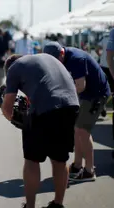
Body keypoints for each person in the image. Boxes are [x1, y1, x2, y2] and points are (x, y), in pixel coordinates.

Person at [2, 54, 79, 208]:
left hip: (45, 109)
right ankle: (58, 203)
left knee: (32, 160)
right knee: (59, 158)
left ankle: (30, 205)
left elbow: (7, 106)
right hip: (71, 106)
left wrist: (14, 119)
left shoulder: (14, 69)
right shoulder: (46, 58)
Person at [43, 42, 111, 182]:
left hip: (95, 95)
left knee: (82, 130)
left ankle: (89, 171)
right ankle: (78, 165)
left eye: (56, 60)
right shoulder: (61, 58)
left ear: (62, 53)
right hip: (85, 95)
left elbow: (80, 86)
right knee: (77, 130)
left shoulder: (76, 59)